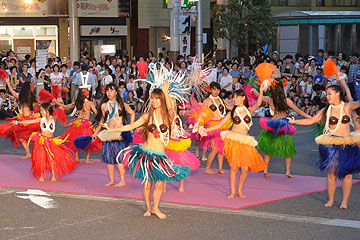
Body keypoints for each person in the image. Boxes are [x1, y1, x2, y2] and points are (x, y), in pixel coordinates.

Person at [105, 81, 190, 220]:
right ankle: (149, 208)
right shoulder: (147, 116)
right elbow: (130, 126)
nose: (154, 101)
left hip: (160, 156)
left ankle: (156, 208)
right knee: (147, 183)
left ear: (161, 100)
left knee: (159, 184)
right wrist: (113, 129)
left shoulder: (168, 117)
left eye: (157, 98)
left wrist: (166, 93)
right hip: (146, 154)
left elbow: (170, 109)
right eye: (152, 98)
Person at [289, 85, 360, 209]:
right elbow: (312, 120)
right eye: (327, 94)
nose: (327, 96)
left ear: (338, 94)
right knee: (331, 174)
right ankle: (331, 200)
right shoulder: (326, 110)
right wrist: (293, 121)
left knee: (347, 175)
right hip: (332, 146)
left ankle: (344, 202)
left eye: (329, 94)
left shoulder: (348, 106)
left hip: (347, 145)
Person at [202, 85, 266, 198]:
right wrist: (205, 129)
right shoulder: (231, 113)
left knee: (245, 169)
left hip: (246, 142)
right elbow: (220, 125)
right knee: (234, 167)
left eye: (237, 97)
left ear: (243, 98)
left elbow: (259, 103)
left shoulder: (248, 110)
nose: (234, 99)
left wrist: (260, 91)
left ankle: (239, 190)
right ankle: (232, 191)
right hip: (234, 141)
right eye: (234, 97)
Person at [254, 78, 311, 178]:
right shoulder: (286, 100)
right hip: (283, 125)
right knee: (288, 149)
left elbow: (259, 96)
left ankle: (265, 169)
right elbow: (299, 111)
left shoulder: (269, 99)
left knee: (269, 149)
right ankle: (288, 171)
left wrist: (255, 90)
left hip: (272, 124)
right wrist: (312, 118)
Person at [19, 102, 77, 182]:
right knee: (41, 158)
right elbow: (29, 122)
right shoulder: (41, 119)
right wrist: (19, 122)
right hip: (41, 141)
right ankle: (41, 175)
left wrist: (60, 104)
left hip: (51, 141)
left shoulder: (54, 118)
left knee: (51, 159)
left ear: (48, 111)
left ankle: (53, 175)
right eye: (41, 110)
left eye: (42, 110)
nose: (41, 112)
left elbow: (62, 108)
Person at [93, 83, 135, 187]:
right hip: (108, 133)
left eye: (111, 90)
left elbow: (132, 113)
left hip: (119, 133)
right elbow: (101, 120)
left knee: (119, 158)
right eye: (107, 91)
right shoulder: (103, 105)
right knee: (109, 159)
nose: (109, 93)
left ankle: (122, 180)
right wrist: (95, 132)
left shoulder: (122, 104)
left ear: (116, 91)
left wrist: (131, 126)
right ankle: (112, 180)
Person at [0, 79, 40, 158]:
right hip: (29, 119)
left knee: (27, 138)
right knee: (25, 137)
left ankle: (32, 153)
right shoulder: (31, 98)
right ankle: (29, 153)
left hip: (27, 120)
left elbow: (12, 92)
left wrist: (8, 83)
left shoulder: (23, 97)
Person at [61, 89, 101, 163]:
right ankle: (87, 159)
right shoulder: (89, 103)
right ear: (87, 95)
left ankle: (77, 157)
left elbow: (67, 107)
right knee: (88, 140)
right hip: (86, 123)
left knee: (77, 139)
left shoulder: (77, 102)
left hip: (78, 123)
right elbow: (96, 113)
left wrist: (58, 104)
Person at [201, 82, 232, 174]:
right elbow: (202, 114)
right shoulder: (207, 101)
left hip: (222, 125)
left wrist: (240, 109)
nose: (216, 91)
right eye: (214, 89)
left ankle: (220, 168)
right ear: (210, 90)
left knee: (221, 148)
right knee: (215, 148)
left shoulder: (221, 100)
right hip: (213, 126)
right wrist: (201, 126)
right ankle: (207, 168)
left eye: (218, 89)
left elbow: (230, 107)